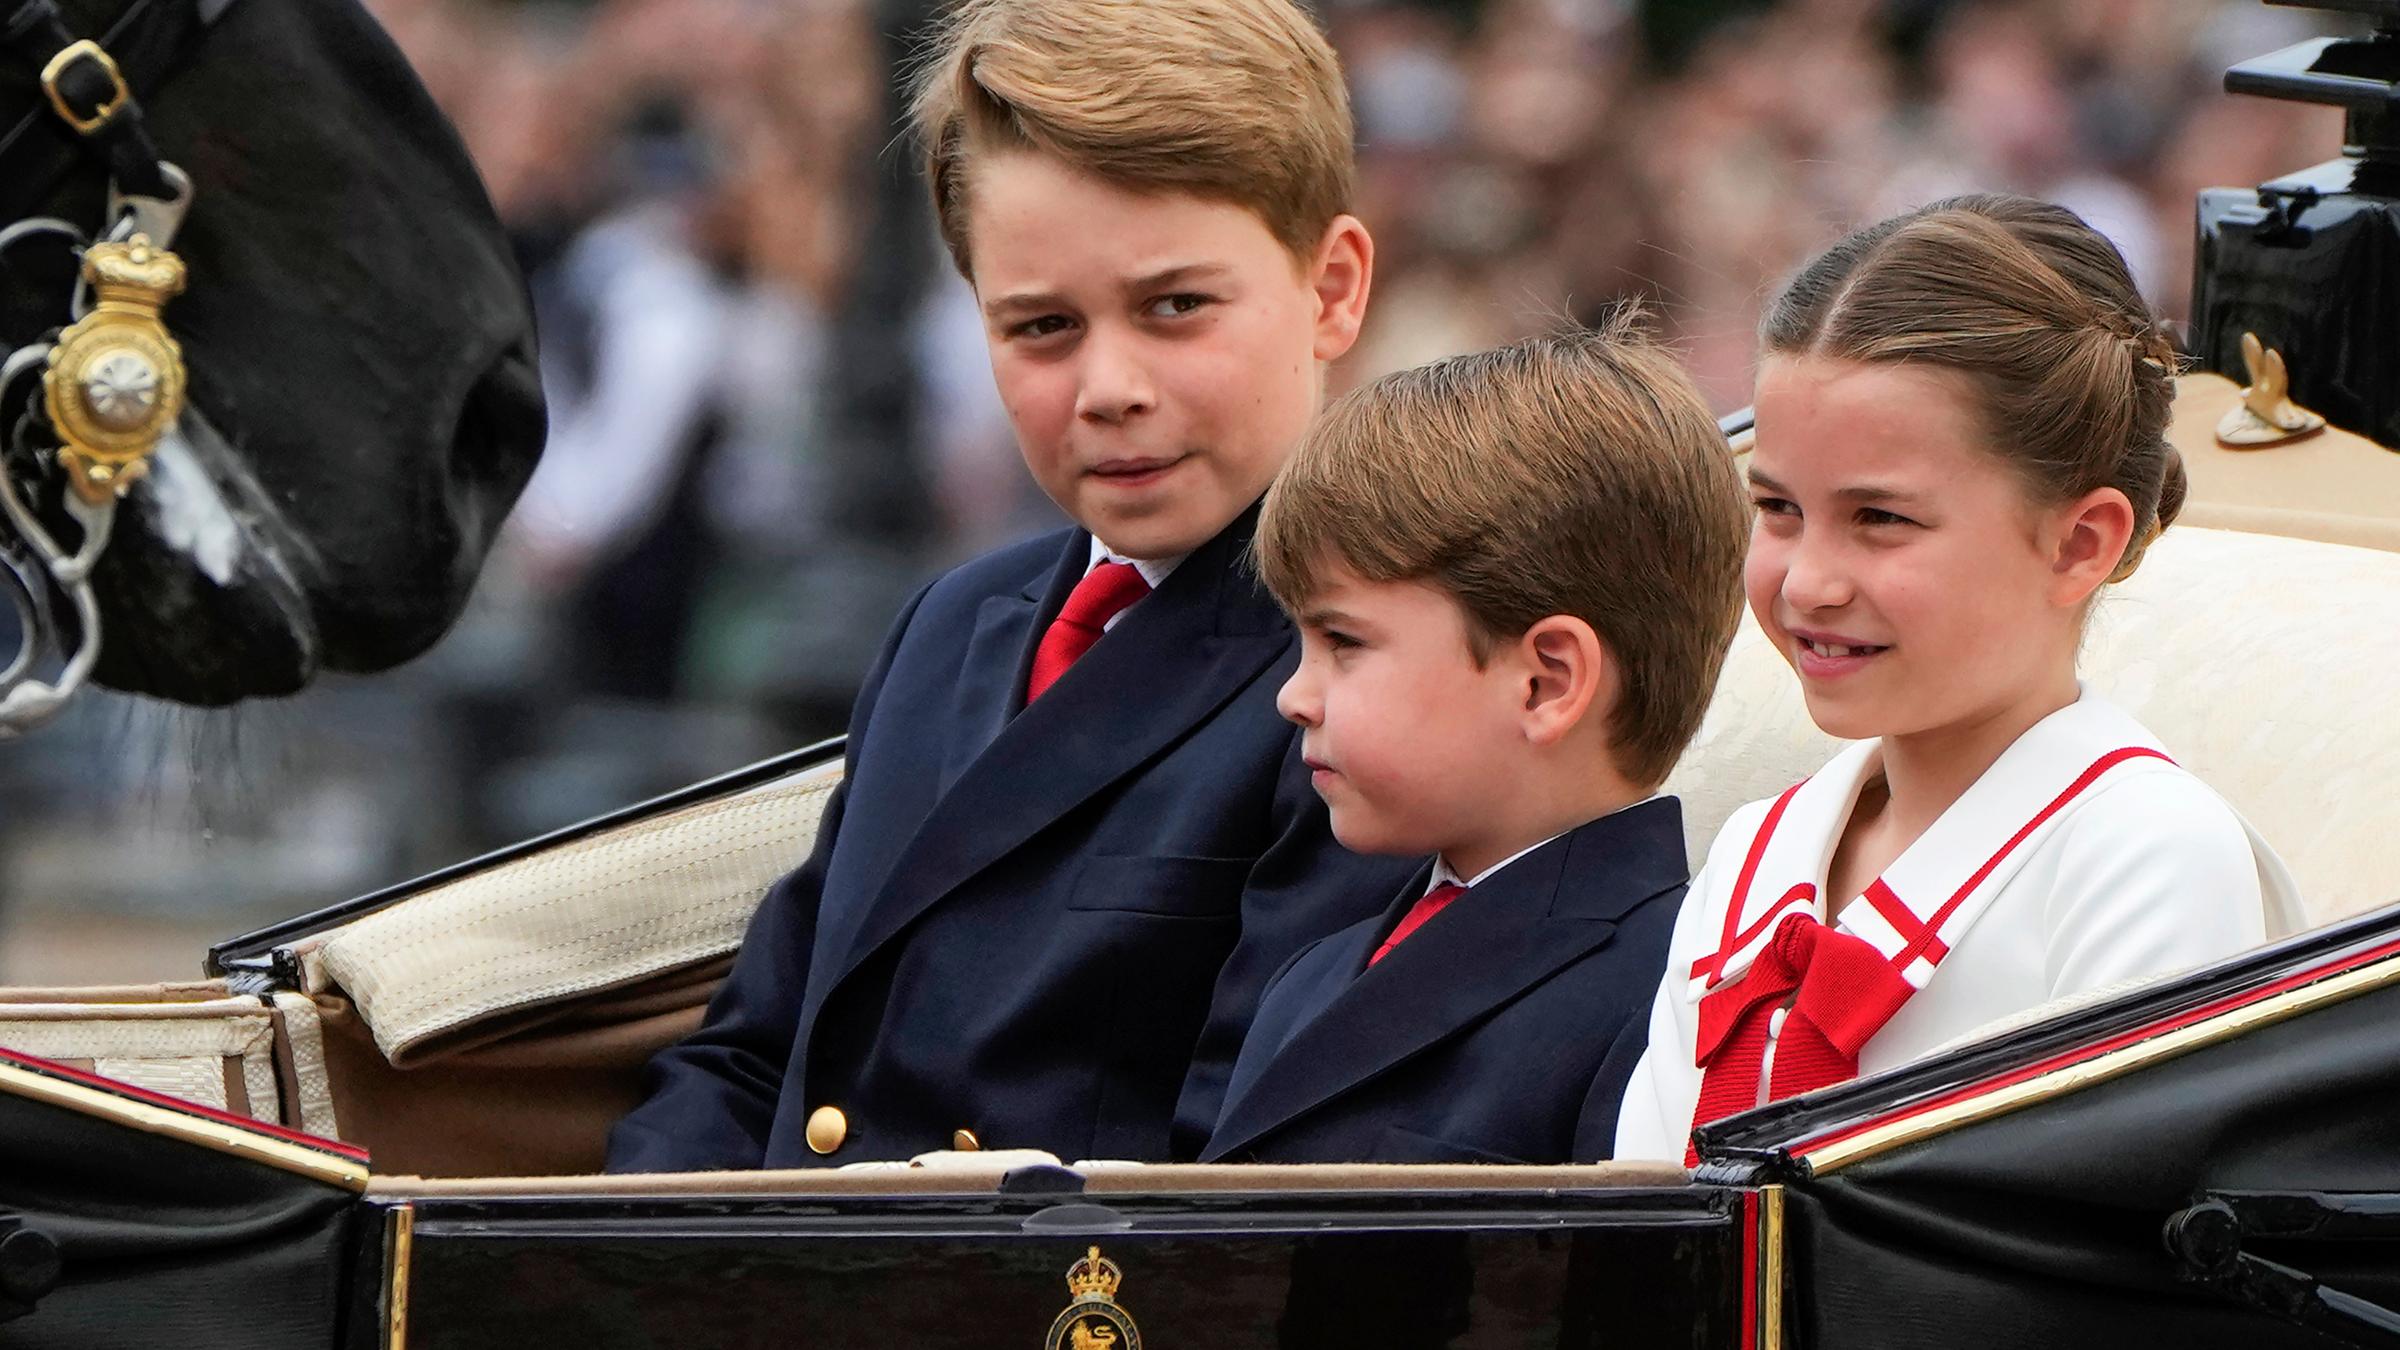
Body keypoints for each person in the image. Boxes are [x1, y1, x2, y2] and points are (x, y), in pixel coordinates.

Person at [606, 0, 1416, 1171]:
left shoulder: (1370, 664)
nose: (1108, 386)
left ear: (1333, 289)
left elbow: (1239, 1183)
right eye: (1040, 327)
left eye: (1175, 307)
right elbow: (756, 1050)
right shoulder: (953, 624)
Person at [1614, 194, 2305, 1164]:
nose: (1809, 580)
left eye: (1882, 520)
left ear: (2079, 542)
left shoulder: (2145, 860)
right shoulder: (1751, 859)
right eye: (1776, 507)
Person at [1203, 325, 1749, 1166]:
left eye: (1343, 642)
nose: (1293, 695)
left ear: (1546, 682)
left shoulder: (1674, 1001)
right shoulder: (1311, 974)